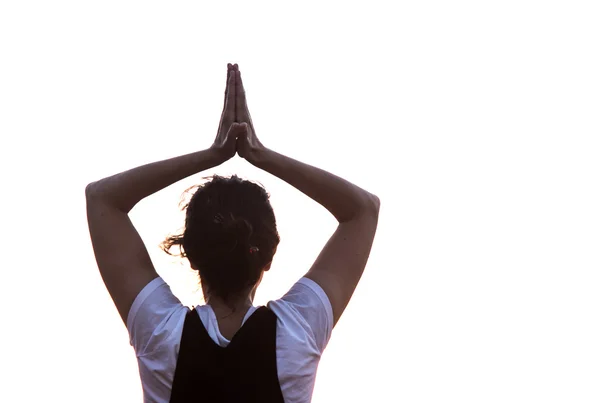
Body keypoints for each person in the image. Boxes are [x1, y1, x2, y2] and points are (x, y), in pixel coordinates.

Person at [86, 63, 380, 403]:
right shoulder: (297, 333)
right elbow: (363, 210)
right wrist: (259, 153)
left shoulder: (161, 334)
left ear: (191, 255)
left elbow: (102, 199)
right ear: (268, 256)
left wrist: (213, 154)